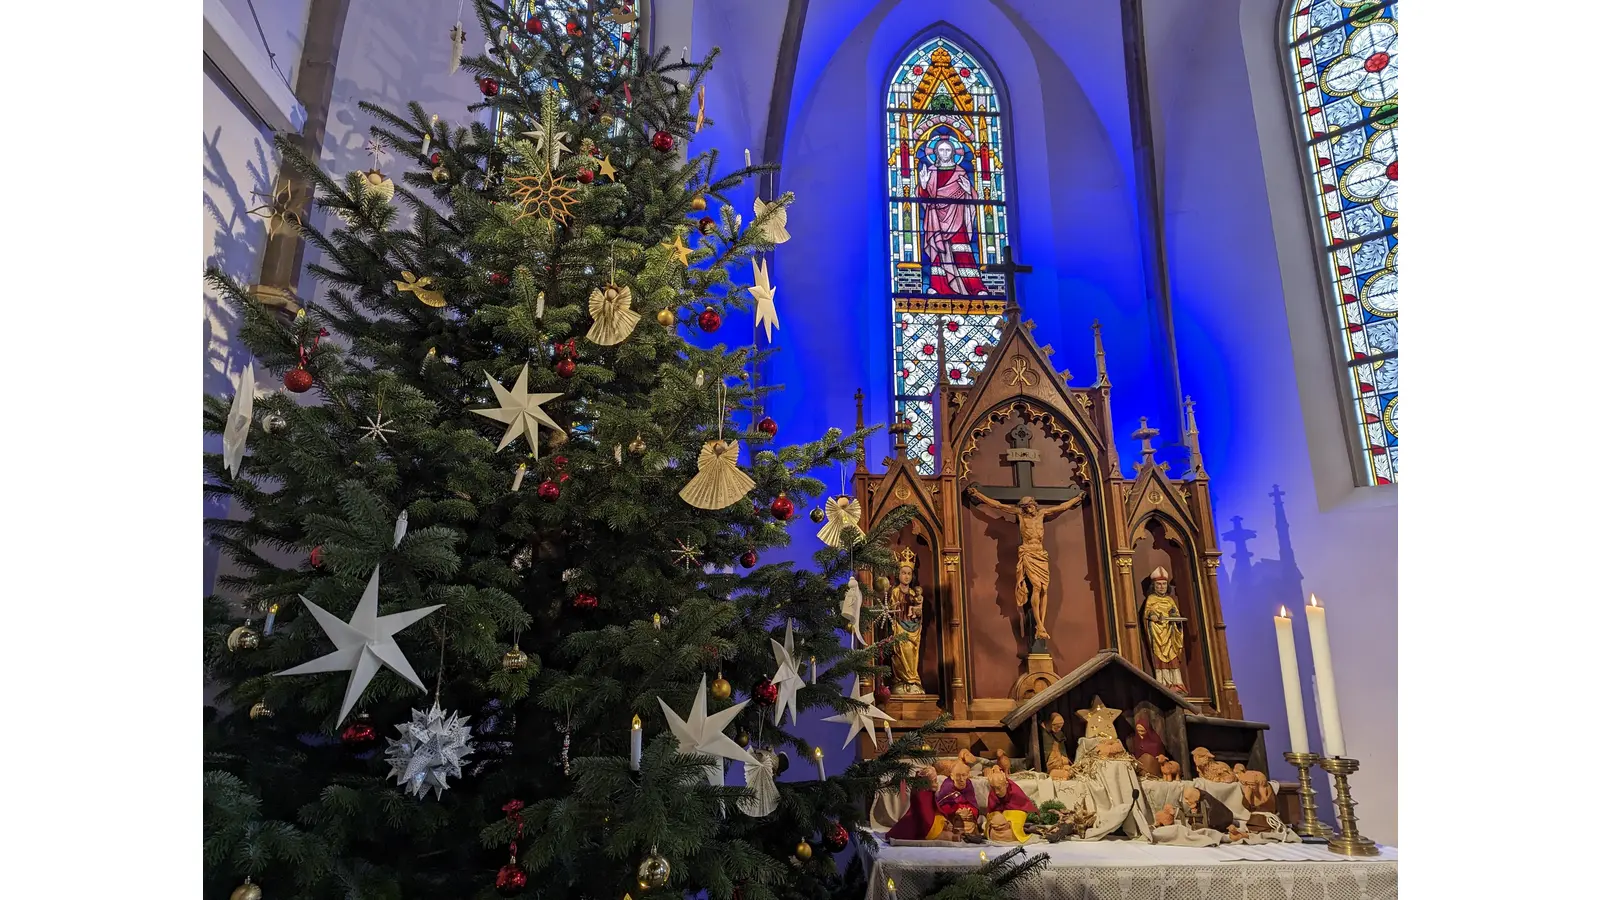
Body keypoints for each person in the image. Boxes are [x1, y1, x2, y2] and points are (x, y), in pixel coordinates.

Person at [964, 487, 1086, 642]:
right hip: (1028, 553)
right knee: (1036, 586)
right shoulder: (1020, 516)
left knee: (1044, 588)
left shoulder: (1042, 514)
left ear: (1035, 505)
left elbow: (1061, 508)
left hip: (1041, 554)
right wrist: (978, 495)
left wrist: (1076, 499)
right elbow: (997, 505)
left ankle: (1041, 624)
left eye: (1031, 505)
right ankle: (1039, 624)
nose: (1030, 508)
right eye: (1027, 507)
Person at [917, 136, 987, 297]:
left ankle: (974, 288)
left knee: (963, 253)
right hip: (936, 219)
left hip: (957, 218)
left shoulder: (960, 172)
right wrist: (924, 185)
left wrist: (969, 191)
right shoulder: (932, 172)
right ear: (935, 152)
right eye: (941, 150)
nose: (945, 153)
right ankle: (938, 287)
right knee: (939, 252)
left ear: (954, 152)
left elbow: (971, 196)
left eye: (948, 150)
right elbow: (925, 198)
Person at [1141, 567, 1188, 693]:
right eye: (1158, 584)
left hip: (1170, 633)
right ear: (1153, 586)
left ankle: (1177, 684)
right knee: (1159, 659)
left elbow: (1176, 614)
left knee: (1173, 658)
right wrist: (1153, 617)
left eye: (1163, 584)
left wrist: (1176, 619)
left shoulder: (1170, 600)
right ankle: (1163, 683)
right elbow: (1147, 614)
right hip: (1157, 634)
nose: (1161, 587)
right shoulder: (1151, 599)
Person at [886, 549, 925, 694]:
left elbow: (919, 612)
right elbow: (891, 609)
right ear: (898, 574)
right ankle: (902, 680)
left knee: (913, 654)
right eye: (904, 573)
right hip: (899, 627)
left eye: (909, 573)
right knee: (902, 652)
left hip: (913, 629)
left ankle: (913, 680)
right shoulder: (895, 591)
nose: (906, 576)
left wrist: (918, 612)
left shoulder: (915, 593)